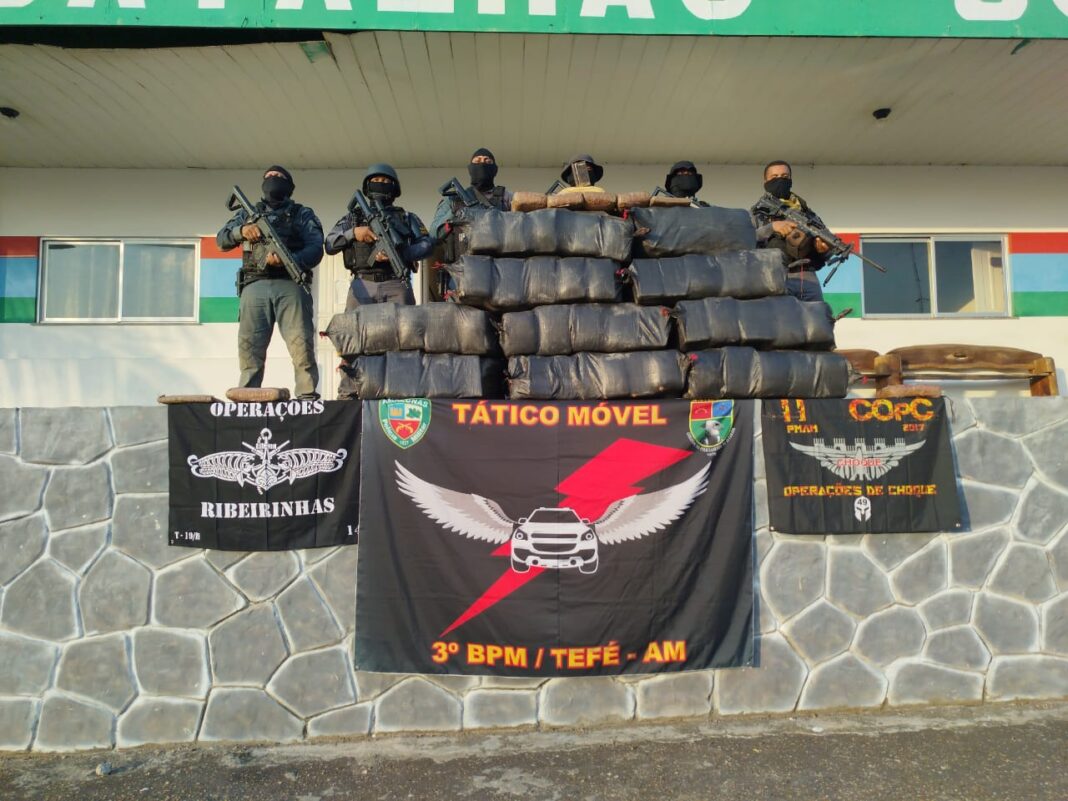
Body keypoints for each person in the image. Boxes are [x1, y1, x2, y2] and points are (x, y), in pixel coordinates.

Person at [216, 166, 324, 399]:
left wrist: (290, 260)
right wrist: (242, 231)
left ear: (290, 186)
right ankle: (247, 397)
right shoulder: (248, 214)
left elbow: (316, 248)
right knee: (250, 349)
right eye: (269, 176)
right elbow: (221, 240)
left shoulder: (301, 214)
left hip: (290, 284)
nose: (273, 179)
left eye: (279, 177)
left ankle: (306, 397)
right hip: (255, 285)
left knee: (301, 346)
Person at [325, 164, 433, 309]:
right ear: (368, 186)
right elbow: (329, 244)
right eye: (376, 180)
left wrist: (401, 253)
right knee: (355, 324)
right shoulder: (353, 218)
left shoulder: (406, 217)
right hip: (362, 285)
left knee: (404, 324)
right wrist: (354, 233)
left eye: (385, 181)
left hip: (396, 284)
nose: (380, 184)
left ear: (394, 187)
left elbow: (427, 245)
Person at [750, 160, 832, 302]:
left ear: (791, 179)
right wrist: (771, 228)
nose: (780, 180)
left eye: (785, 176)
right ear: (765, 181)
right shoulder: (757, 213)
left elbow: (827, 246)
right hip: (773, 276)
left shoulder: (807, 213)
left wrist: (823, 250)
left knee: (817, 315)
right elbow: (744, 240)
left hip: (807, 277)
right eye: (774, 177)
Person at [430, 147, 512, 240]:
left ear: (495, 170)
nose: (482, 164)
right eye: (477, 161)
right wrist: (454, 213)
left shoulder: (506, 197)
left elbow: (520, 228)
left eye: (487, 161)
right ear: (470, 169)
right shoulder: (454, 200)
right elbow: (433, 234)